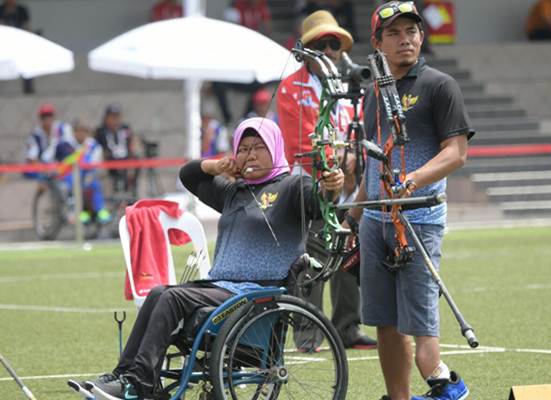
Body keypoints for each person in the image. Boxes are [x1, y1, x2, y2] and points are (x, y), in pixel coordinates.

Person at [79, 117, 344, 399]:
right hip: (222, 289)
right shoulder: (232, 193)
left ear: (275, 149)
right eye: (243, 148)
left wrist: (332, 187)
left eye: (259, 147)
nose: (250, 154)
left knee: (171, 298)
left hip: (257, 294)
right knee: (158, 293)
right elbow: (188, 175)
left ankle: (138, 383)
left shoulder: (292, 186)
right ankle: (124, 376)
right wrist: (216, 166)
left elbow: (319, 201)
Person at [344, 3, 474, 399]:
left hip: (419, 220)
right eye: (395, 33)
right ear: (378, 43)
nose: (406, 39)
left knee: (423, 341)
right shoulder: (371, 95)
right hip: (374, 223)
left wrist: (413, 180)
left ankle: (451, 387)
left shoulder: (439, 85)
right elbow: (372, 164)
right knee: (384, 322)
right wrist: (353, 212)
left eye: (412, 32)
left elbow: (456, 152)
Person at [276, 9, 376, 350]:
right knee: (312, 256)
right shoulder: (291, 88)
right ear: (306, 50)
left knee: (350, 251)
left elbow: (360, 131)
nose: (330, 50)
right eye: (321, 43)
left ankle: (348, 328)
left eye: (334, 43)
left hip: (349, 183)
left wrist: (352, 167)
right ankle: (307, 334)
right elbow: (300, 142)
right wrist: (338, 167)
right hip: (311, 182)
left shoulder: (350, 87)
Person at [61, 121, 111, 224]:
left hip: (87, 174)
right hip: (69, 174)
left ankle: (98, 210)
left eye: (84, 131)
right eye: (79, 131)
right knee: (74, 184)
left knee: (93, 184)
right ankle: (77, 211)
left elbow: (94, 163)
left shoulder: (93, 145)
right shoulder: (66, 144)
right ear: (74, 132)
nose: (81, 134)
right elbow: (66, 162)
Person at [95, 104, 139, 196]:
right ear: (106, 118)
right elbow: (98, 149)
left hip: (125, 160)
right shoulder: (101, 131)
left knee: (136, 161)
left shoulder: (125, 129)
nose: (114, 119)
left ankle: (132, 194)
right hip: (109, 161)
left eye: (117, 117)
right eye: (112, 117)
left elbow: (131, 144)